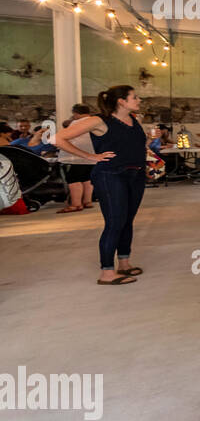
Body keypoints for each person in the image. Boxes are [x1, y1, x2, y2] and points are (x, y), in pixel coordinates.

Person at [52, 85, 148, 284]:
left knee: (127, 220)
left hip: (135, 175)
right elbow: (59, 138)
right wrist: (90, 156)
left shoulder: (134, 120)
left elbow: (134, 145)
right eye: (135, 97)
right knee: (115, 222)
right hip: (111, 175)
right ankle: (107, 272)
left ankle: (124, 263)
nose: (139, 100)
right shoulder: (99, 120)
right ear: (121, 101)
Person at [57, 104, 96, 212]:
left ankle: (76, 204)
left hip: (77, 156)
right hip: (92, 155)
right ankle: (87, 202)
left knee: (73, 178)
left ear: (75, 113)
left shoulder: (76, 123)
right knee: (86, 178)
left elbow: (65, 137)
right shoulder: (95, 121)